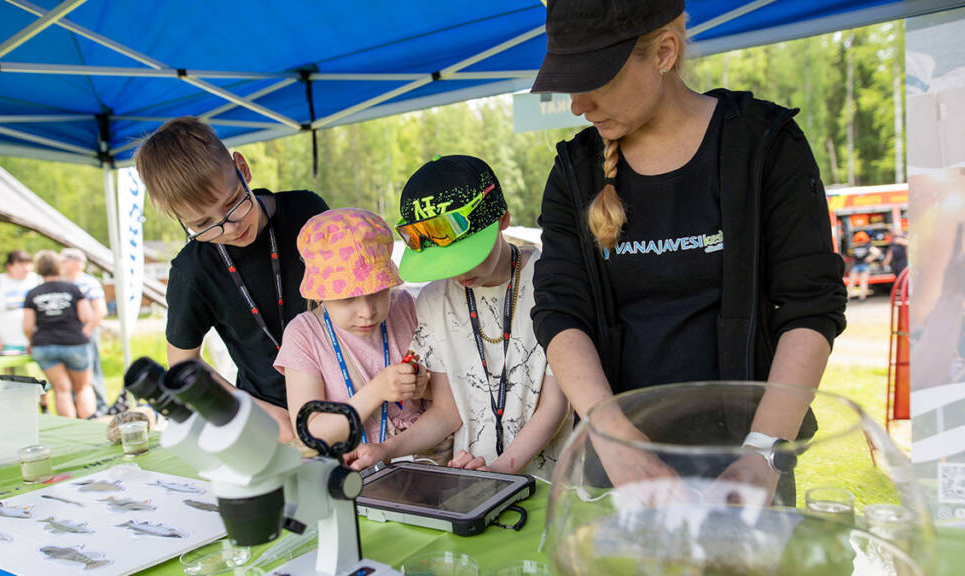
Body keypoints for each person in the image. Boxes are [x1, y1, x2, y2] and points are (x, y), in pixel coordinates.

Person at [529, 0, 846, 501]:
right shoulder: (575, 171)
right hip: (620, 464)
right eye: (569, 82)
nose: (577, 105)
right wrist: (613, 436)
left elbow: (810, 306)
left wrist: (763, 452)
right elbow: (559, 311)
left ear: (664, 53)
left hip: (750, 460)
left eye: (595, 79)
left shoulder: (763, 145)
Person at [349, 155, 571, 478]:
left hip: (550, 479)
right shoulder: (433, 300)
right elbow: (446, 412)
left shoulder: (551, 282)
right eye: (444, 261)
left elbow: (555, 406)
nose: (458, 271)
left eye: (467, 254)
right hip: (470, 477)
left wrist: (498, 471)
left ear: (503, 219)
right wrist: (386, 449)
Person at [134, 117, 328, 442]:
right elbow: (182, 365)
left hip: (348, 396)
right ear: (180, 219)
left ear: (242, 168)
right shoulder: (192, 270)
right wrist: (261, 414)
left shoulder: (306, 210)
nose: (231, 228)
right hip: (273, 423)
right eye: (203, 224)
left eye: (233, 202)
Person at [274, 209, 429, 447]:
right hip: (352, 464)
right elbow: (309, 434)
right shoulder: (303, 335)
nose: (367, 312)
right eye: (347, 298)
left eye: (378, 292)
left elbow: (447, 394)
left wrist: (423, 387)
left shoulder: (405, 307)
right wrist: (376, 392)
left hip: (420, 452)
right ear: (319, 295)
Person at [23, 251, 94, 418]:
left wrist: (31, 341)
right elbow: (87, 316)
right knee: (83, 387)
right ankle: (90, 425)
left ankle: (68, 427)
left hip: (44, 345)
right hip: (74, 343)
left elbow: (27, 326)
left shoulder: (32, 293)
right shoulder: (73, 289)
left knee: (61, 389)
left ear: (39, 269)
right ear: (58, 266)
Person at [60, 248, 108, 416]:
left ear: (76, 263)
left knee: (91, 372)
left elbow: (100, 310)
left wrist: (85, 332)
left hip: (85, 334)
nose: (61, 265)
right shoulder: (63, 282)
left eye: (64, 261)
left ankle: (99, 409)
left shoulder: (88, 282)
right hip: (68, 336)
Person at [0, 250, 41, 353]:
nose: (26, 268)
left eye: (28, 264)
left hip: (36, 341)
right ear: (9, 266)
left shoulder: (37, 280)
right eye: (21, 264)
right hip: (6, 341)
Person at [847, 230, 882, 301]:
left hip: (858, 265)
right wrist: (870, 258)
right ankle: (861, 297)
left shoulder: (854, 246)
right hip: (863, 265)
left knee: (853, 282)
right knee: (862, 282)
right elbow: (877, 252)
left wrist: (870, 258)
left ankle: (849, 297)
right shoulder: (866, 246)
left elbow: (850, 256)